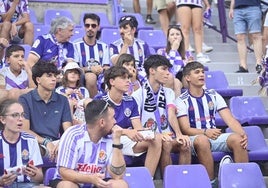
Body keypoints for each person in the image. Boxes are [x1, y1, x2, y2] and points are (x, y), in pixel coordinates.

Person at [175, 61, 249, 187]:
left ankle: (242, 181)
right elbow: (185, 129)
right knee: (203, 140)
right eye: (197, 72)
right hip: (194, 139)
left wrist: (242, 133)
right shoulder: (181, 100)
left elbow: (230, 119)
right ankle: (211, 183)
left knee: (238, 139)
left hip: (213, 136)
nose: (201, 74)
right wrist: (205, 132)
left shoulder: (214, 95)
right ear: (187, 77)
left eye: (203, 72)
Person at [95, 66, 162, 177]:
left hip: (126, 138)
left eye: (128, 78)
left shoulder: (130, 100)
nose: (128, 81)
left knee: (157, 138)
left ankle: (147, 180)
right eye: (123, 78)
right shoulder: (100, 101)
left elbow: (137, 126)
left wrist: (147, 133)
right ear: (112, 81)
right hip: (106, 138)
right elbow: (103, 128)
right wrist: (127, 132)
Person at [132, 55, 191, 176]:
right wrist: (156, 135)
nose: (167, 73)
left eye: (168, 70)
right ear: (152, 71)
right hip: (149, 137)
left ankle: (183, 181)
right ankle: (168, 182)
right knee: (166, 143)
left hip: (168, 135)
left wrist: (179, 134)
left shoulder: (168, 92)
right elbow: (136, 125)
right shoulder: (138, 95)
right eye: (163, 69)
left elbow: (171, 114)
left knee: (185, 143)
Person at [50, 99, 128, 188]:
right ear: (102, 122)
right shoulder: (73, 135)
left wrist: (117, 142)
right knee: (67, 186)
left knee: (120, 185)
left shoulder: (112, 136)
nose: (115, 122)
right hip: (71, 182)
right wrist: (90, 178)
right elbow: (64, 172)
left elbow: (118, 176)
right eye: (113, 118)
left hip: (98, 183)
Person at [18, 60, 73, 161]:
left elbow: (68, 130)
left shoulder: (63, 100)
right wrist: (46, 142)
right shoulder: (25, 99)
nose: (53, 79)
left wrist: (62, 143)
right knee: (36, 150)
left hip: (57, 142)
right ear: (38, 79)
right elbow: (25, 130)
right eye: (49, 76)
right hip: (35, 141)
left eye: (54, 76)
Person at [0, 99, 43, 187]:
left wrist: (34, 174)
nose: (20, 119)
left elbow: (40, 177)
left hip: (27, 185)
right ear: (3, 119)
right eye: (15, 115)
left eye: (22, 115)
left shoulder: (31, 140)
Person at [27, 16, 78, 87]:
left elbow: (70, 65)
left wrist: (62, 74)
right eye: (70, 30)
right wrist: (46, 76)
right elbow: (30, 62)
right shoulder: (43, 40)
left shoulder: (70, 45)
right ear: (59, 30)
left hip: (62, 78)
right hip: (43, 76)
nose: (73, 34)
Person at [74, 13, 110, 98]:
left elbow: (107, 67)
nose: (90, 28)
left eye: (93, 26)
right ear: (84, 27)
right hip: (82, 77)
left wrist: (101, 69)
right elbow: (75, 69)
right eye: (87, 25)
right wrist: (90, 69)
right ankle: (94, 106)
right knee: (91, 77)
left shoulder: (103, 46)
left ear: (98, 27)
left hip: (101, 76)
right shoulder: (76, 45)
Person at [157, 25, 193, 97]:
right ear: (168, 38)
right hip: (167, 78)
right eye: (172, 34)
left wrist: (190, 65)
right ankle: (176, 105)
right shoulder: (161, 52)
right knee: (176, 82)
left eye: (177, 34)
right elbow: (168, 68)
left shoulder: (187, 53)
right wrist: (173, 50)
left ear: (181, 38)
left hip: (184, 79)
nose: (175, 37)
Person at [229, 0, 263, 73]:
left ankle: (259, 63)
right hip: (237, 8)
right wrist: (231, 8)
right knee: (239, 37)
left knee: (256, 35)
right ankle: (243, 66)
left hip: (253, 6)